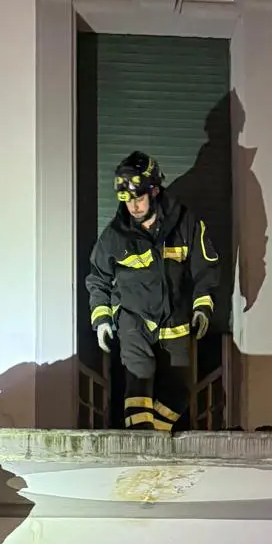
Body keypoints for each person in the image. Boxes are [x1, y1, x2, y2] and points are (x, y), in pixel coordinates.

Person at [86, 151, 219, 434]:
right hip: (134, 319)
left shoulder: (186, 223)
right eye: (127, 199)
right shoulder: (115, 236)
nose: (133, 206)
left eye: (139, 197)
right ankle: (140, 445)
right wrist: (102, 320)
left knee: (178, 396)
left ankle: (152, 438)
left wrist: (202, 306)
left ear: (155, 190)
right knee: (140, 374)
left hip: (175, 320)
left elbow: (205, 267)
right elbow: (98, 278)